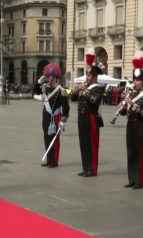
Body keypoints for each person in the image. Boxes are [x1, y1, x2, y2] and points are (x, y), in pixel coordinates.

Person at [120, 51, 143, 189]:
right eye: (134, 80)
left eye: (138, 81)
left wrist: (133, 104)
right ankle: (132, 179)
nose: (135, 83)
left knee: (140, 154)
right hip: (131, 125)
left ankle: (139, 181)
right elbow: (124, 113)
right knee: (131, 152)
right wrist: (123, 105)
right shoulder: (132, 93)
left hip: (142, 126)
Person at [71, 48, 104, 177]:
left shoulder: (98, 88)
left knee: (92, 144)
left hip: (91, 117)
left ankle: (92, 168)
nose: (87, 77)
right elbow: (73, 99)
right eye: (87, 75)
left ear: (95, 77)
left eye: (89, 75)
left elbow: (94, 101)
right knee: (83, 143)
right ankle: (85, 167)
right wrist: (76, 90)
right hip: (82, 117)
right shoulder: (85, 86)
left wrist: (85, 91)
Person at [39, 63, 70, 168]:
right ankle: (49, 159)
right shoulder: (46, 88)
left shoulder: (61, 91)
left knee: (54, 140)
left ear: (54, 77)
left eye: (48, 76)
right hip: (46, 117)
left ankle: (54, 161)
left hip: (55, 118)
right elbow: (35, 90)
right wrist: (39, 81)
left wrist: (63, 120)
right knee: (46, 138)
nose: (47, 78)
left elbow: (66, 107)